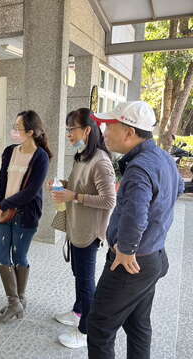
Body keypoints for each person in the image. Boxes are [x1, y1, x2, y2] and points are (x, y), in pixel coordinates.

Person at [87, 101, 184, 359]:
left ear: (129, 133)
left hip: (131, 264)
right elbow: (178, 190)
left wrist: (127, 249)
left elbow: (136, 215)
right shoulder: (163, 157)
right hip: (154, 258)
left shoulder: (139, 167)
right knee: (138, 324)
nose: (104, 133)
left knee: (99, 327)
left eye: (110, 127)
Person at [51, 108, 116, 348]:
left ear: (86, 130)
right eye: (67, 129)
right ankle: (78, 311)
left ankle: (86, 329)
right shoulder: (81, 157)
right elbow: (79, 186)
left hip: (89, 232)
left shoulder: (101, 161)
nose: (68, 133)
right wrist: (62, 186)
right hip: (76, 227)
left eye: (71, 129)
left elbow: (109, 200)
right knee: (79, 275)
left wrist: (75, 196)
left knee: (86, 281)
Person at [0, 110, 51, 323]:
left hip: (26, 215)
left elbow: (31, 191)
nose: (14, 130)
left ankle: (17, 300)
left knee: (19, 257)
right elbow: (1, 182)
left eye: (18, 127)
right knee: (1, 255)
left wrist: (5, 203)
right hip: (4, 213)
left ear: (31, 132)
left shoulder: (40, 157)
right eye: (14, 126)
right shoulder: (9, 151)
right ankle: (15, 301)